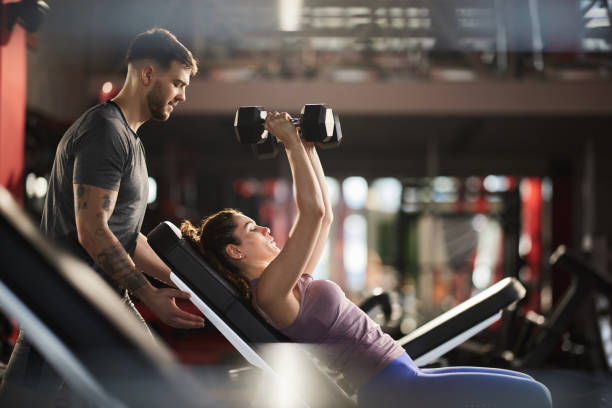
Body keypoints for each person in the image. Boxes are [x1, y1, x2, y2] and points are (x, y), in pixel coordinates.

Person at [181, 112, 553, 408]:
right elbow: (308, 215)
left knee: (530, 388)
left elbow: (323, 216)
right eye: (251, 229)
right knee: (536, 398)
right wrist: (289, 142)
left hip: (402, 377)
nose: (264, 228)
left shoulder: (287, 281)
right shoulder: (270, 294)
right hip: (394, 389)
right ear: (235, 251)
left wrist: (307, 146)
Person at [0, 28, 205, 405]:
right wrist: (149, 294)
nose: (182, 95)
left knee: (156, 391)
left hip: (103, 298)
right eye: (177, 82)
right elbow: (93, 231)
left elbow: (128, 237)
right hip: (67, 303)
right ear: (147, 74)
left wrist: (189, 285)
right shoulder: (105, 132)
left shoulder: (132, 142)